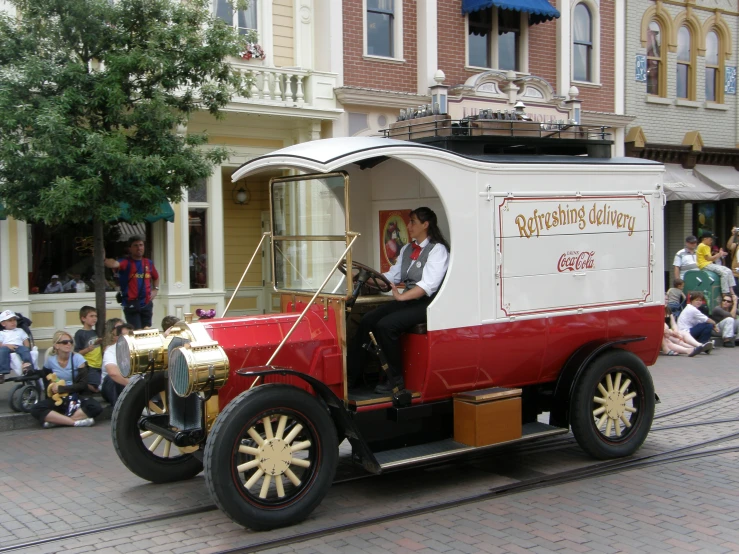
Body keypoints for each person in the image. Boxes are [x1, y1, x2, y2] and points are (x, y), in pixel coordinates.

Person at [348, 207, 450, 394]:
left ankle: (395, 379)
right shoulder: (407, 249)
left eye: (413, 222)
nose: (409, 226)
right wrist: (363, 276)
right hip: (408, 301)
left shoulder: (438, 250)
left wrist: (402, 296)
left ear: (425, 225)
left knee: (386, 326)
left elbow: (428, 286)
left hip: (428, 304)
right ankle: (352, 376)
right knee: (368, 320)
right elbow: (391, 277)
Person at [30, 330, 102, 428]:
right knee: (35, 408)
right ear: (56, 345)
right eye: (65, 342)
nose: (69, 344)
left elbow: (82, 384)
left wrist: (62, 389)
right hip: (59, 397)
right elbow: (46, 381)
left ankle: (58, 421)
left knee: (95, 407)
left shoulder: (78, 359)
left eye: (70, 342)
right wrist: (52, 389)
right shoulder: (50, 361)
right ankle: (74, 422)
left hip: (76, 396)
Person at [104, 236, 159, 330]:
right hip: (131, 303)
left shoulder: (148, 262)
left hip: (146, 303)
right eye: (135, 245)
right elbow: (113, 264)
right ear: (130, 248)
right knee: (136, 331)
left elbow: (156, 277)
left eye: (141, 245)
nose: (139, 248)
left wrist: (156, 289)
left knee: (147, 330)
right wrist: (103, 259)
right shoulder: (126, 262)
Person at [100, 318, 130, 406]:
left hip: (130, 384)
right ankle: (120, 411)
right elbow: (113, 373)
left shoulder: (136, 348)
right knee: (113, 378)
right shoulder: (110, 350)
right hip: (113, 386)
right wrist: (133, 386)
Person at [74, 306, 103, 392]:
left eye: (96, 316)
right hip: (89, 365)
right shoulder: (80, 333)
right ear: (83, 318)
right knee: (94, 387)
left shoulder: (96, 331)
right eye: (91, 316)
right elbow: (77, 352)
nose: (94, 318)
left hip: (98, 364)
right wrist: (87, 349)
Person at [0, 310, 34, 383]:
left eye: (14, 320)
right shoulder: (2, 333)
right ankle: (2, 372)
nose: (13, 322)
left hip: (18, 346)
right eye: (10, 320)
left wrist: (27, 348)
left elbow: (25, 341)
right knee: (2, 351)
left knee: (24, 350)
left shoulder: (20, 330)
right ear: (3, 323)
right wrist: (7, 345)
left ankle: (27, 366)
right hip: (6, 347)